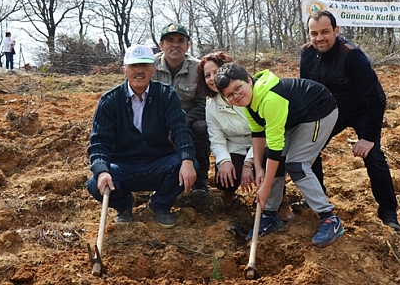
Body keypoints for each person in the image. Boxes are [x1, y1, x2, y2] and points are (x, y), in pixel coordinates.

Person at [215, 63, 344, 248]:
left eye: (238, 89)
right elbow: (258, 133)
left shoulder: (269, 99)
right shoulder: (248, 102)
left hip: (318, 112)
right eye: (229, 95)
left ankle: (329, 219)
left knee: (296, 164)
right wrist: (258, 168)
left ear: (248, 80)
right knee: (271, 163)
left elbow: (275, 147)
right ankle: (270, 215)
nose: (236, 96)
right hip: (294, 118)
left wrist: (265, 187)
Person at [300, 10, 400, 231]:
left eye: (325, 32)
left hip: (362, 110)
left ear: (336, 31)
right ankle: (318, 201)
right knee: (308, 150)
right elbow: (305, 91)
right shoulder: (306, 54)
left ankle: (388, 211)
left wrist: (367, 138)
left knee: (374, 156)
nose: (320, 38)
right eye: (314, 33)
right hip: (328, 112)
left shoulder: (352, 56)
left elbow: (375, 98)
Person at [86, 45, 198, 228]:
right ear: (124, 70)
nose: (139, 71)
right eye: (134, 66)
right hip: (123, 165)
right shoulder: (109, 101)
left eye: (145, 66)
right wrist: (102, 171)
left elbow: (180, 130)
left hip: (159, 162)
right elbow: (99, 142)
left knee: (188, 164)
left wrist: (187, 160)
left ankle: (160, 204)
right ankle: (124, 205)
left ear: (153, 70)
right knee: (94, 183)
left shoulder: (166, 95)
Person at [195, 52, 295, 221]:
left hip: (262, 145)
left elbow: (262, 132)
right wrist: (224, 161)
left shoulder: (244, 93)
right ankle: (227, 195)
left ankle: (281, 203)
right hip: (235, 147)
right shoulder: (210, 104)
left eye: (216, 72)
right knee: (226, 173)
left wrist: (249, 163)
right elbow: (216, 138)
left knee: (270, 162)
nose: (212, 79)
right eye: (207, 75)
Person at [153, 23, 210, 196]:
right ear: (161, 45)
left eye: (180, 40)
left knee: (202, 128)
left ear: (188, 46)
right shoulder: (149, 66)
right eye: (169, 40)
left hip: (189, 121)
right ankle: (151, 178)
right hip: (156, 121)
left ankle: (200, 180)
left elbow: (203, 104)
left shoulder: (199, 68)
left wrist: (180, 124)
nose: (175, 45)